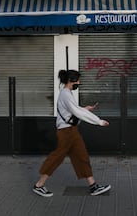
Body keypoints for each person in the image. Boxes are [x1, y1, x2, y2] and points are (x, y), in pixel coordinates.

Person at [33, 69, 111, 197]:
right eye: (78, 81)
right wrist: (98, 121)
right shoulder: (65, 94)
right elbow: (76, 112)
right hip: (66, 132)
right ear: (71, 81)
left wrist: (85, 109)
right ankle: (39, 185)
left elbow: (74, 109)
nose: (79, 83)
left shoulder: (67, 93)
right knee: (57, 157)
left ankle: (93, 186)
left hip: (71, 131)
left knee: (82, 157)